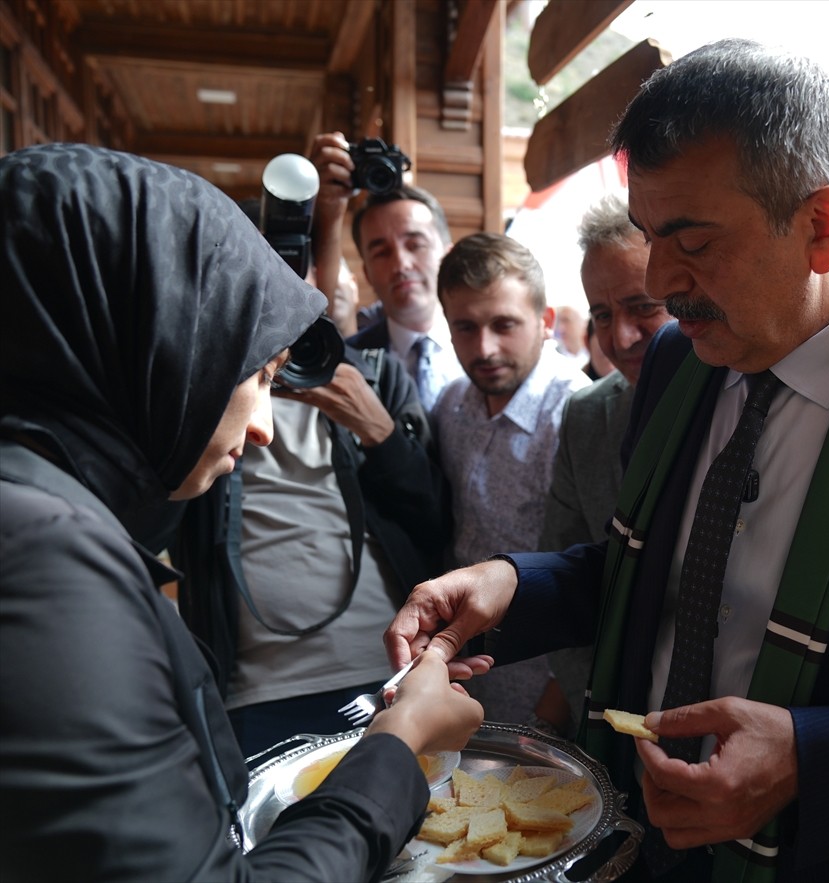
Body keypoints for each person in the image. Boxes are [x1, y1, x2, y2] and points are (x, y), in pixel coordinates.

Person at [385, 38, 829, 883]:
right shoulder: (676, 358)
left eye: (691, 241)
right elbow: (655, 575)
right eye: (652, 236)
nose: (660, 279)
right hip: (637, 829)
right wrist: (511, 583)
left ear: (821, 225)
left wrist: (812, 753)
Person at [0, 143, 484, 881]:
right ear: (157, 344)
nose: (264, 426)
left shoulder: (42, 510)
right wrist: (400, 742)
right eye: (252, 370)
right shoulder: (47, 564)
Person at [170, 310, 451, 756]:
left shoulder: (374, 374)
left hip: (388, 669)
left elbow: (436, 524)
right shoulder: (206, 376)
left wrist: (379, 431)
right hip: (255, 688)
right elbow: (156, 521)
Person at [432, 232, 590, 727]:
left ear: (545, 321)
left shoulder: (576, 411)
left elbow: (600, 560)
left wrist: (560, 692)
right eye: (465, 327)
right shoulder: (451, 404)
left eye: (504, 325)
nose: (485, 348)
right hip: (463, 672)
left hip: (550, 684)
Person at [538, 194, 675, 731]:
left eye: (643, 307)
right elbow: (565, 579)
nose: (620, 337)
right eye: (602, 315)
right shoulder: (587, 416)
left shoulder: (743, 401)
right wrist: (603, 718)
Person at [309, 131, 464, 412]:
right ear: (367, 273)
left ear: (447, 255)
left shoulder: (485, 345)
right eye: (381, 253)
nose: (401, 264)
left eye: (415, 245)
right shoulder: (349, 363)